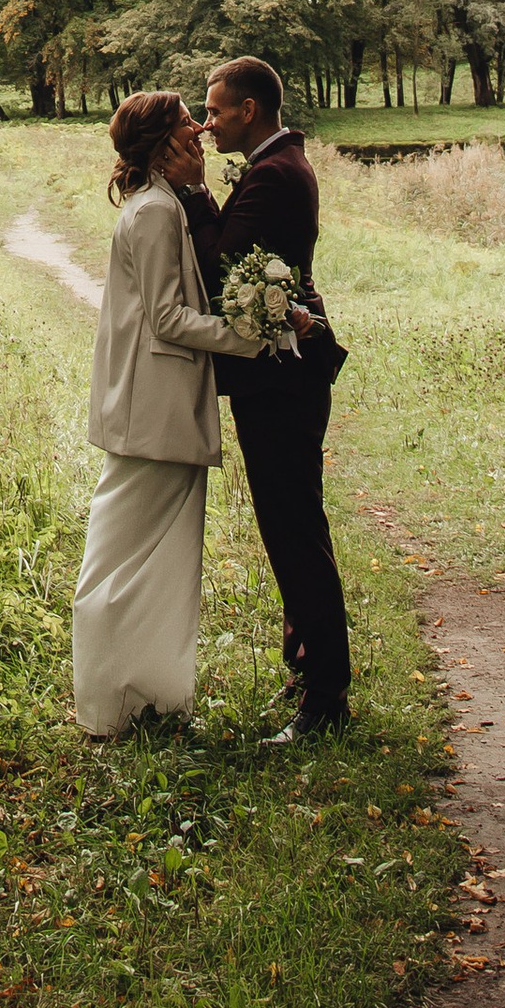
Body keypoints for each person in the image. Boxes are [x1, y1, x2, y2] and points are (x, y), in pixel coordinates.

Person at [71, 87, 260, 737]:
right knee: (122, 561)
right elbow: (167, 318)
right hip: (151, 413)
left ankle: (147, 697)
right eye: (186, 122)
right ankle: (109, 703)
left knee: (158, 566)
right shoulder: (153, 212)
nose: (200, 129)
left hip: (160, 412)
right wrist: (249, 337)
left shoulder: (163, 203)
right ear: (161, 143)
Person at [185, 53, 353, 738]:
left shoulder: (277, 173)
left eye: (214, 111)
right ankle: (307, 666)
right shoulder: (277, 165)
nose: (207, 125)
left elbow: (222, 262)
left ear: (248, 110)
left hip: (284, 378)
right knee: (288, 527)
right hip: (280, 371)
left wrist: (193, 193)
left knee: (295, 531)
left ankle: (326, 697)